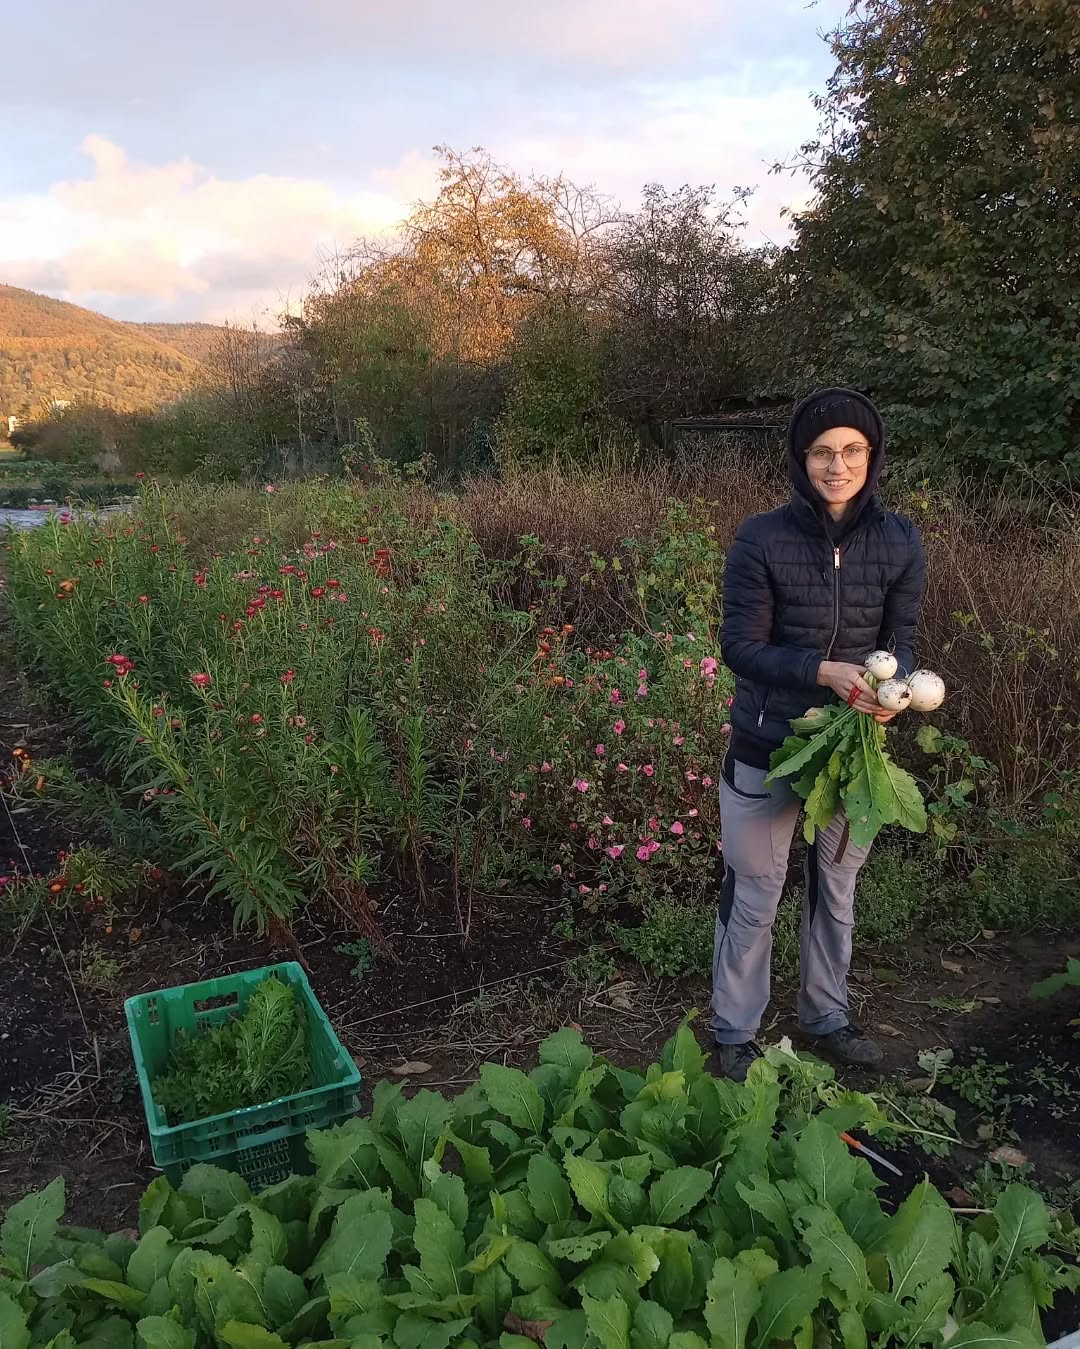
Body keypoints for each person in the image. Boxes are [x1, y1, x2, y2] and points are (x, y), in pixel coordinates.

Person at [712, 387, 926, 1081]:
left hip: (852, 749)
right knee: (756, 887)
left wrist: (894, 693)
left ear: (873, 455)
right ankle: (736, 1032)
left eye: (853, 450)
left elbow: (904, 641)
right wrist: (822, 671)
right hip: (769, 740)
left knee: (836, 884)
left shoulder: (900, 540)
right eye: (823, 452)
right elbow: (740, 646)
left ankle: (825, 1014)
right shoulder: (762, 537)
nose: (838, 465)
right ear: (801, 459)